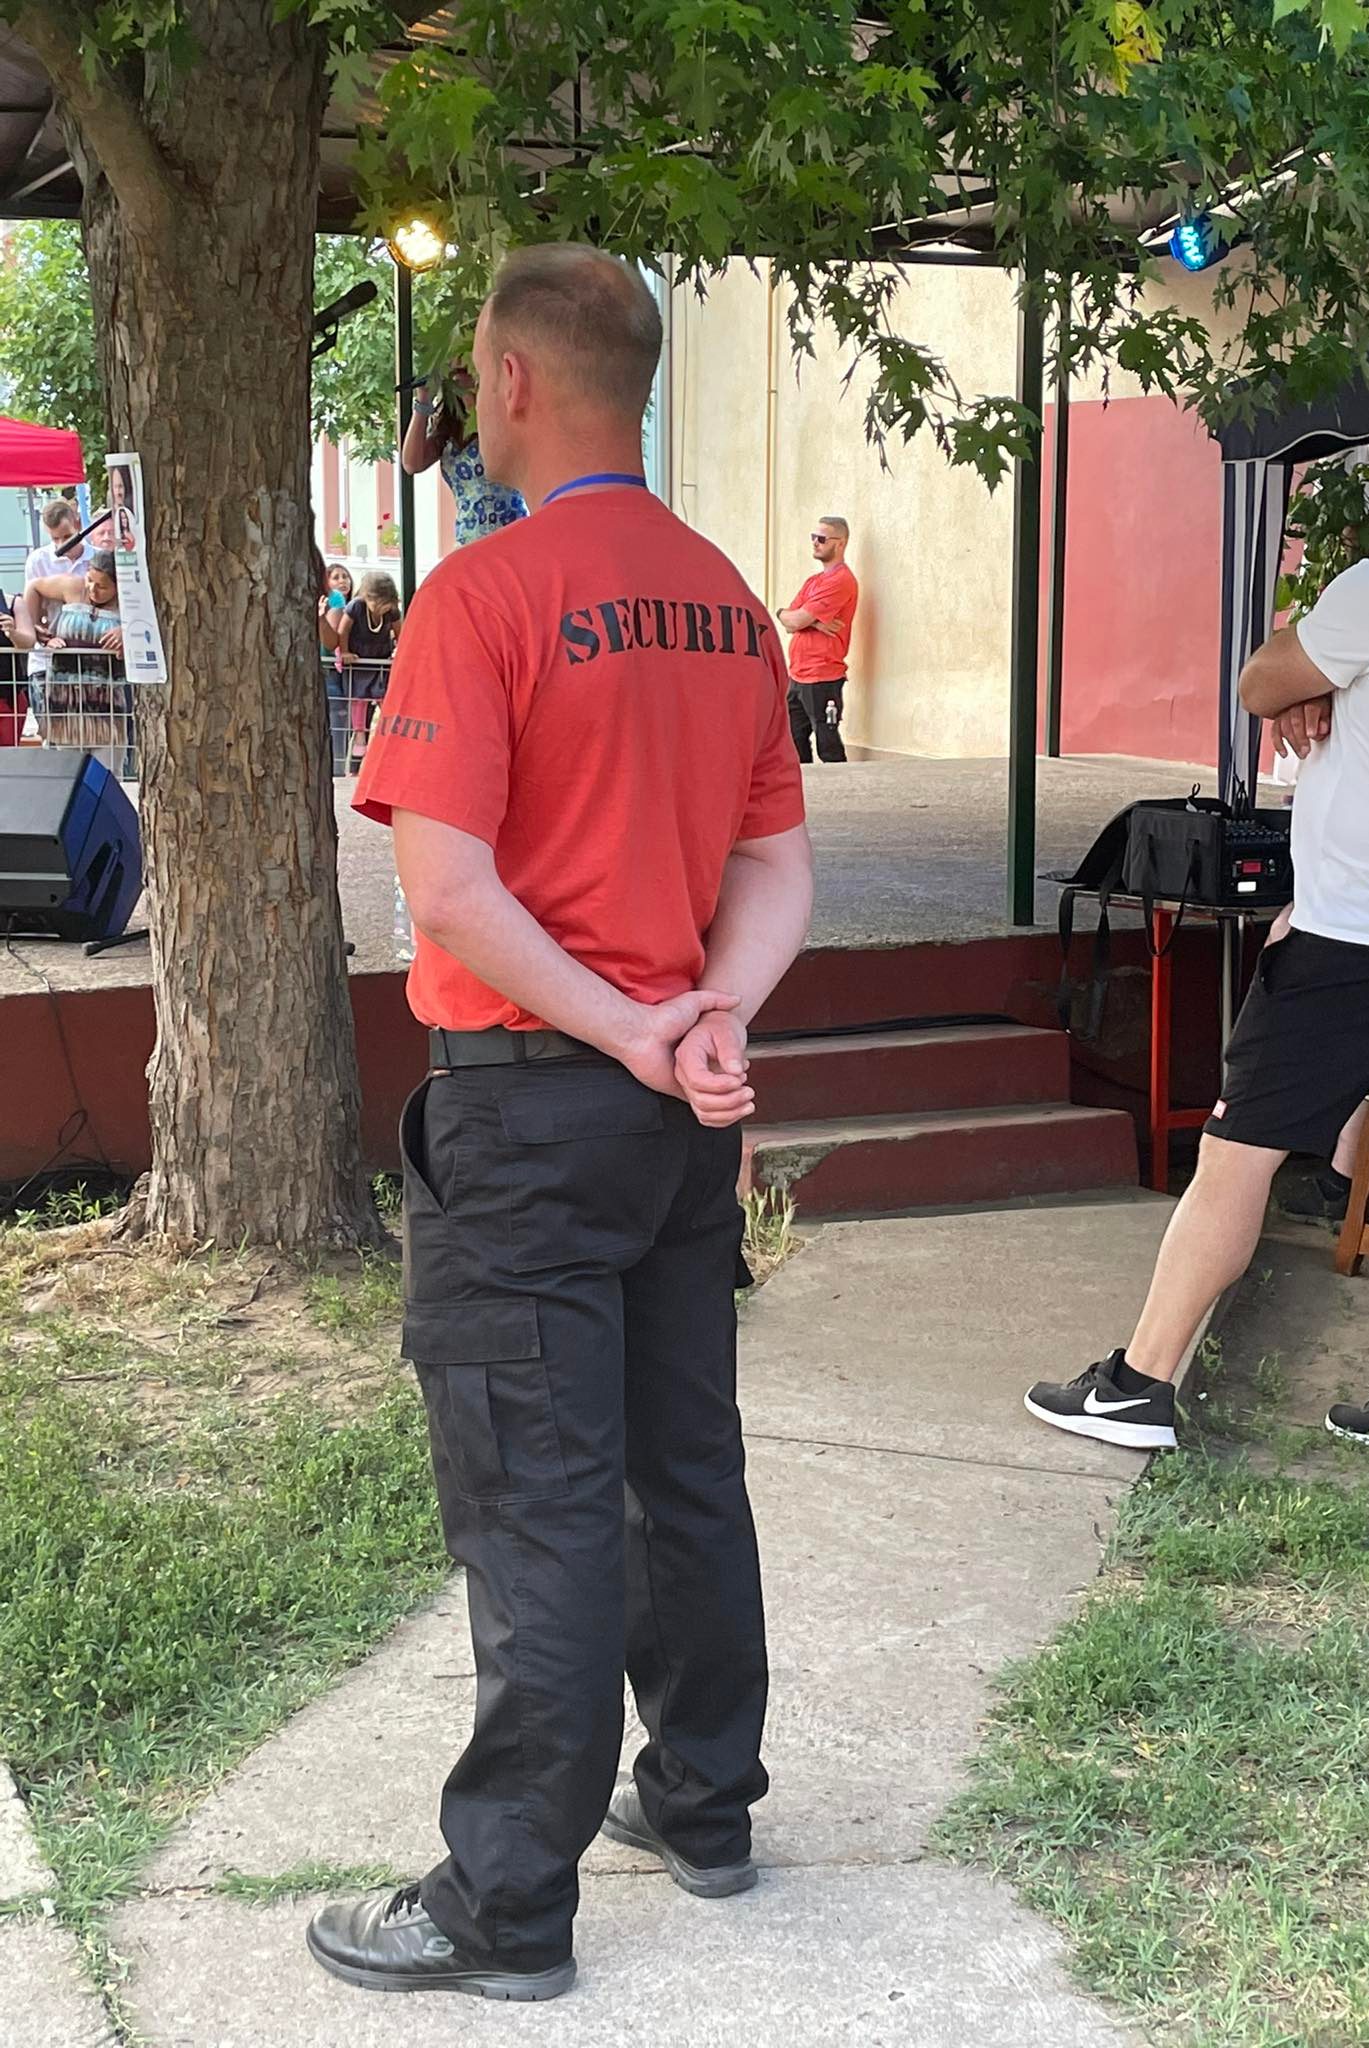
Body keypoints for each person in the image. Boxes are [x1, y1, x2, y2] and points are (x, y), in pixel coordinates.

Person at [307, 243, 813, 2004]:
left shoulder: (485, 593)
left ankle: (507, 1899)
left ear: (515, 381)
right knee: (684, 1468)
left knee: (538, 1500)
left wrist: (634, 1028)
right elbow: (778, 864)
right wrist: (706, 1017)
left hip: (532, 1112)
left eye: (473, 368)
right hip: (674, 1124)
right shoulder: (728, 599)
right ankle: (704, 1800)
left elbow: (445, 886)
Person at [1026, 402, 1369, 1472]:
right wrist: (1336, 695)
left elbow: (1262, 679)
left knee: (1235, 1157)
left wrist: (1309, 692)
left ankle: (1139, 1383)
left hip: (1351, 941)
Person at [10, 551, 129, 775]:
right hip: (65, 699)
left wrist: (127, 631)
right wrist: (35, 628)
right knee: (68, 774)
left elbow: (147, 626)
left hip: (107, 700)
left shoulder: (128, 604)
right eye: (90, 580)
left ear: (117, 587)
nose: (93, 589)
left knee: (108, 774)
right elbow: (34, 586)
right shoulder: (72, 586)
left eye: (102, 586)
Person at [402, 362, 529, 546]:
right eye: (453, 367)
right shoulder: (449, 428)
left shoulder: (502, 417)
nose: (458, 370)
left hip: (511, 537)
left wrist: (472, 398)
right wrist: (423, 401)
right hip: (469, 539)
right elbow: (411, 464)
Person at [0, 497, 87, 740]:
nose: (61, 545)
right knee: (55, 738)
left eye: (67, 536)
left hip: (89, 661)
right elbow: (32, 617)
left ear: (77, 523)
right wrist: (42, 634)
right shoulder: (38, 560)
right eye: (54, 538)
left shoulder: (99, 557)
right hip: (47, 662)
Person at [776, 517, 857, 764]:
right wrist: (814, 622)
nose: (815, 543)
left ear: (840, 543)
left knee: (828, 746)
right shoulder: (813, 582)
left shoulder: (840, 581)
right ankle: (805, 787)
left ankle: (842, 787)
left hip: (823, 676)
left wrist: (803, 619)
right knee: (794, 744)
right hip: (798, 675)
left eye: (821, 538)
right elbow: (788, 620)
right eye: (813, 537)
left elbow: (796, 620)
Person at [335, 569, 400, 771]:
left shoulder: (392, 611)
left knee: (386, 698)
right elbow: (343, 630)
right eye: (378, 604)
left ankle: (391, 735)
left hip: (380, 660)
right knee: (359, 698)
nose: (382, 609)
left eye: (386, 604)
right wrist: (345, 652)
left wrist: (399, 651)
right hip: (359, 660)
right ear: (368, 598)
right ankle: (359, 735)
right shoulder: (356, 607)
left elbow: (400, 632)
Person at [318, 561, 353, 777]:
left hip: (333, 668)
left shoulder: (347, 604)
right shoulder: (336, 600)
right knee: (338, 720)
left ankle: (337, 768)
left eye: (345, 576)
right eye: (336, 577)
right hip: (331, 668)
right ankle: (337, 769)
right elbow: (331, 642)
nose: (342, 581)